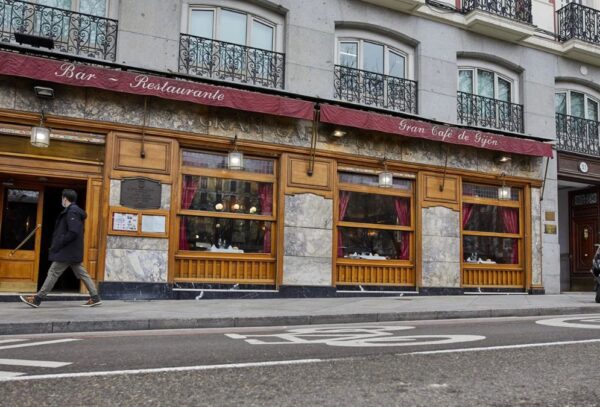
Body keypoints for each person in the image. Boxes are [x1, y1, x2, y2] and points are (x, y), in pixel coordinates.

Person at [20, 189, 102, 308]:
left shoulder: (72, 212)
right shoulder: (73, 211)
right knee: (82, 273)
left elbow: (73, 231)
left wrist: (60, 241)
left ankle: (37, 299)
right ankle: (95, 297)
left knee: (53, 272)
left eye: (62, 198)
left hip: (67, 251)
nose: (61, 200)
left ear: (65, 199)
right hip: (72, 251)